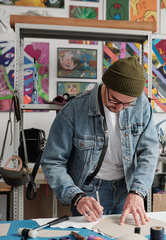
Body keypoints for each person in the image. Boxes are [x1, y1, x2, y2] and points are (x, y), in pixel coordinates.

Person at [41, 56, 159, 226]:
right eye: (114, 100)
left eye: (127, 104)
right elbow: (52, 161)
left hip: (127, 189)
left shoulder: (141, 106)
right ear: (106, 85)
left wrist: (138, 192)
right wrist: (76, 196)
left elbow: (149, 151)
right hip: (89, 192)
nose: (119, 108)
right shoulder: (73, 111)